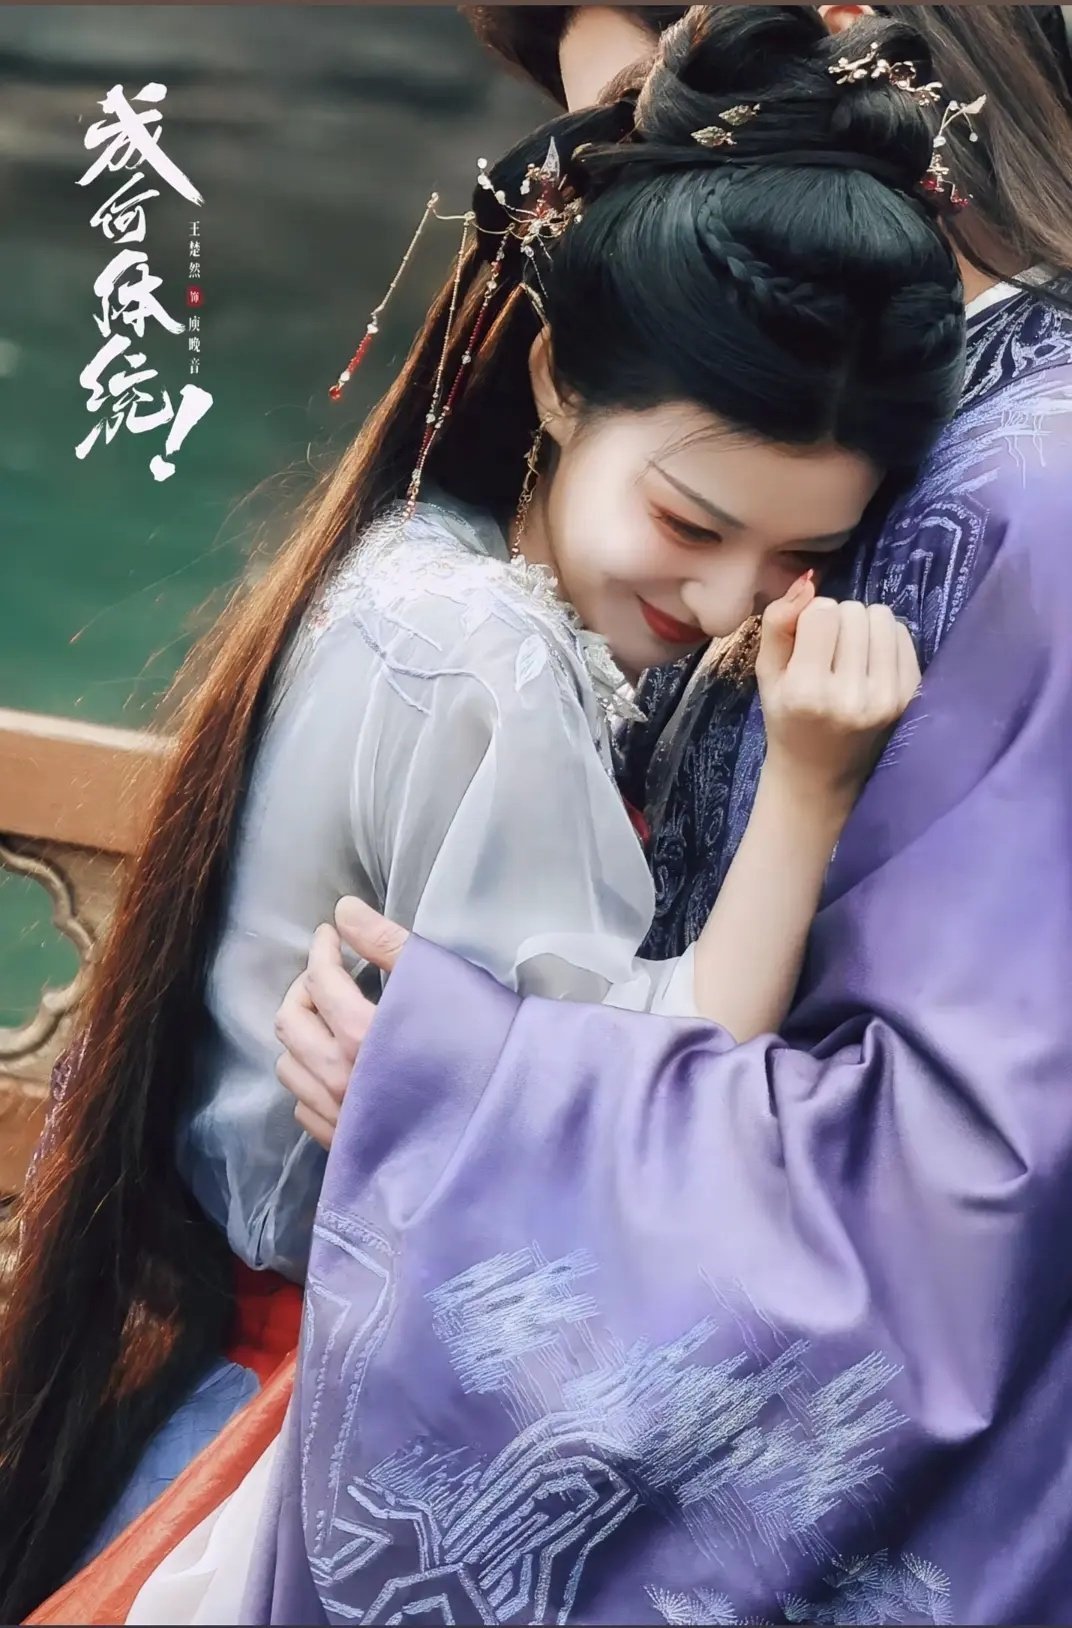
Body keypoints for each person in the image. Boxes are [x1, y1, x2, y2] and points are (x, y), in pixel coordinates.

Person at [0, 7, 965, 1621]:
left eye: (798, 562)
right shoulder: (494, 665)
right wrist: (810, 788)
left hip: (237, 1368)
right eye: (691, 522)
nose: (727, 601)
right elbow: (648, 1101)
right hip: (313, 1437)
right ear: (559, 380)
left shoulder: (419, 566)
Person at [245, 8, 1072, 1625]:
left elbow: (970, 1189)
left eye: (664, 104)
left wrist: (461, 1086)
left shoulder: (1018, 488)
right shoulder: (511, 627)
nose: (634, 177)